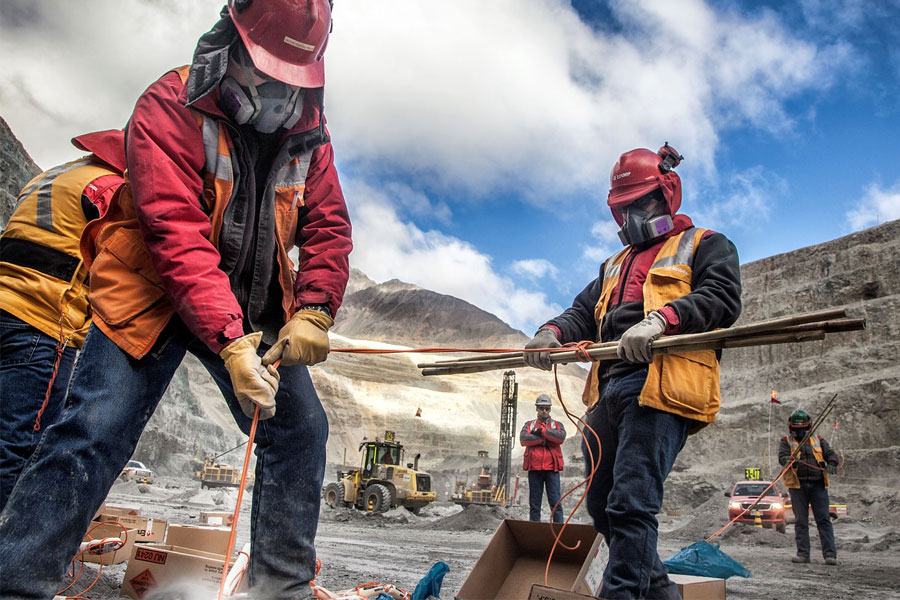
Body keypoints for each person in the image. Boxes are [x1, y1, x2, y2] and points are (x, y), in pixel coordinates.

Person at [0, 1, 351, 598]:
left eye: (292, 78)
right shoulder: (169, 103)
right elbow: (174, 234)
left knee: (300, 429)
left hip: (250, 302)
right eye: (267, 71)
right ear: (232, 45)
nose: (276, 89)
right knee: (93, 426)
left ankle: (281, 589)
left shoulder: (310, 134)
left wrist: (316, 308)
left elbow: (328, 227)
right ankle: (16, 584)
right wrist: (230, 343)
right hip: (152, 290)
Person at [524, 143, 741, 599]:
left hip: (662, 386)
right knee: (604, 506)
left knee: (631, 505)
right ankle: (663, 594)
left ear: (666, 196)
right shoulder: (614, 265)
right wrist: (551, 332)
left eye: (638, 205)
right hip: (611, 387)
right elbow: (582, 312)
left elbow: (722, 297)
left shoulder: (705, 245)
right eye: (622, 210)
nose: (629, 219)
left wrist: (663, 319)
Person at [0, 129, 124, 511]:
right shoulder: (107, 187)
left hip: (6, 304)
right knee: (18, 444)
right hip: (41, 321)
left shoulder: (53, 176)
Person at [778, 409, 840, 565]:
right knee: (801, 521)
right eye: (796, 430)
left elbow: (831, 454)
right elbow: (782, 458)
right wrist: (789, 459)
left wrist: (832, 462)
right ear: (791, 428)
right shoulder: (786, 441)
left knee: (824, 520)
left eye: (802, 429)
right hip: (797, 486)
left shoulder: (818, 440)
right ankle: (803, 554)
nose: (799, 432)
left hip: (818, 485)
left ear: (809, 427)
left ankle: (830, 555)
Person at [519, 393, 566, 523]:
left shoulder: (558, 425)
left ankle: (559, 534)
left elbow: (560, 438)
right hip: (534, 469)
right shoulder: (528, 425)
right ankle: (534, 534)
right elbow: (524, 439)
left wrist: (542, 432)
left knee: (556, 503)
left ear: (550, 409)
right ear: (537, 409)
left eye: (547, 408)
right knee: (535, 505)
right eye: (541, 408)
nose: (544, 411)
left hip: (552, 470)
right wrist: (545, 440)